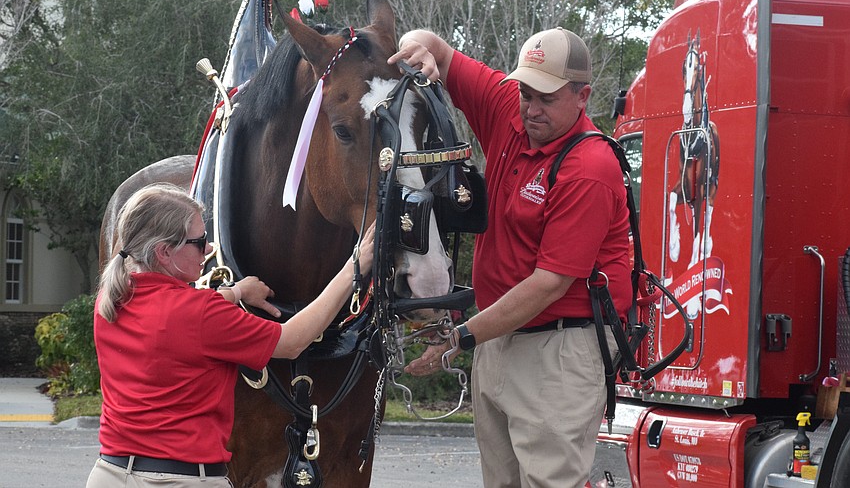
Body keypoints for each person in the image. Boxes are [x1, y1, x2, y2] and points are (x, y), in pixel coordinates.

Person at [389, 27, 631, 488]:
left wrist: (460, 337)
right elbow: (436, 46)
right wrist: (416, 44)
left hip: (559, 347)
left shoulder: (590, 168)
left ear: (583, 96)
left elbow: (548, 284)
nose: (531, 108)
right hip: (499, 334)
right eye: (525, 92)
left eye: (546, 97)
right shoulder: (510, 109)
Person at [86, 183, 374, 488]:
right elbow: (293, 341)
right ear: (164, 252)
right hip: (181, 480)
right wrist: (354, 268)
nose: (209, 249)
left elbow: (176, 319)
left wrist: (236, 292)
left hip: (111, 474)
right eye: (199, 242)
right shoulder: (202, 314)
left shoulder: (112, 299)